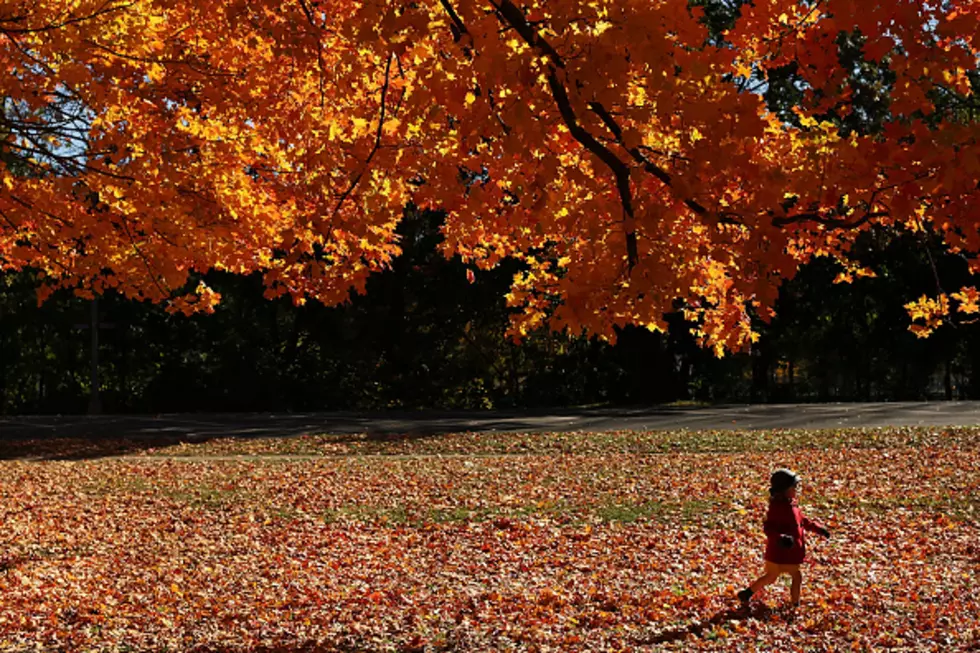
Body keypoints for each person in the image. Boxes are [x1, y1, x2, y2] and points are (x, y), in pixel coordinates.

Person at [736, 468, 830, 608]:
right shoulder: (778, 508)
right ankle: (795, 604)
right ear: (785, 489)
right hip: (782, 553)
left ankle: (747, 593)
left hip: (783, 553)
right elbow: (769, 528)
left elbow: (802, 520)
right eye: (794, 487)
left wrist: (818, 529)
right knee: (796, 576)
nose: (796, 490)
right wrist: (780, 538)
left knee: (771, 577)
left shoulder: (791, 505)